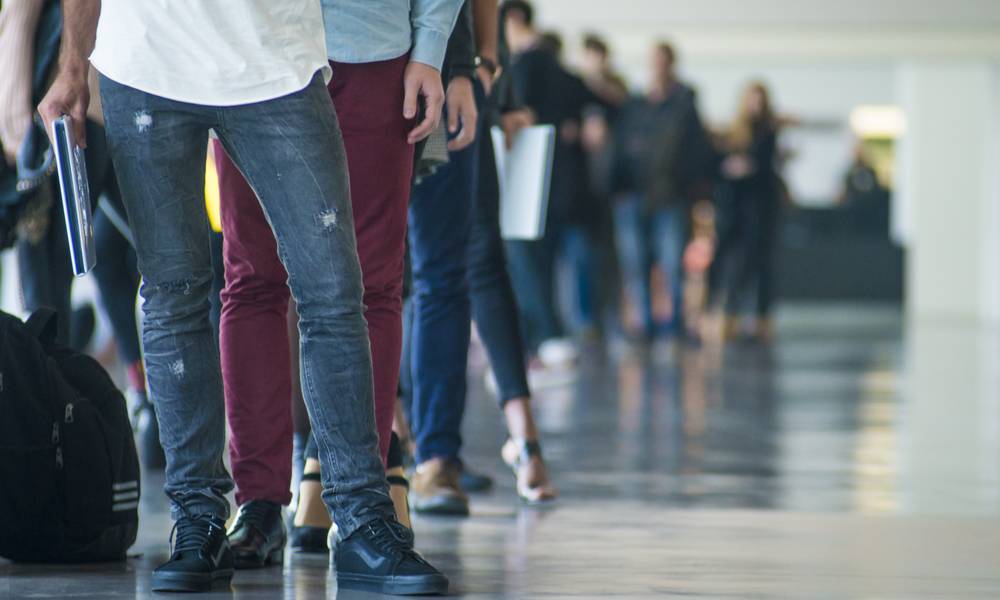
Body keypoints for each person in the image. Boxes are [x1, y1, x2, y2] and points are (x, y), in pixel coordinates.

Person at [39, 0, 448, 595]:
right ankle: (198, 520)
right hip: (147, 62)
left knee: (334, 293)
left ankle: (361, 518)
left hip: (277, 63)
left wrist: (435, 48)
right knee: (174, 297)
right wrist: (73, 66)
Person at [211, 0, 462, 571]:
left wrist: (431, 48)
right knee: (253, 278)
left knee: (372, 283)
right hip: (252, 52)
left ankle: (360, 513)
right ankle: (258, 504)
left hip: (370, 47)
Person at [501, 0, 598, 369]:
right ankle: (545, 335)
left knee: (527, 260)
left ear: (512, 19)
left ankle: (542, 336)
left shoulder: (527, 64)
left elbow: (521, 114)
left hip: (531, 181)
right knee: (539, 260)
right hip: (557, 184)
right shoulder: (557, 66)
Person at [610, 41, 713, 343]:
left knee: (672, 262)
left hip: (671, 196)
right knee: (636, 262)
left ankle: (676, 323)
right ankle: (644, 323)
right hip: (634, 195)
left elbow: (696, 151)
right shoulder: (635, 106)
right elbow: (620, 149)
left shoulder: (684, 107)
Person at [707, 81, 782, 342]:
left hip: (759, 212)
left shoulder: (768, 133)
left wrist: (747, 168)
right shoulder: (732, 133)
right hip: (733, 211)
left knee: (759, 265)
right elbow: (718, 166)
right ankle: (730, 316)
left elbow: (762, 167)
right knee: (732, 266)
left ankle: (760, 319)